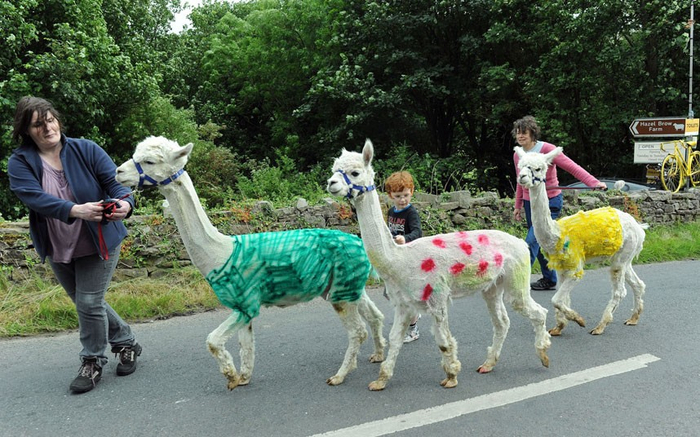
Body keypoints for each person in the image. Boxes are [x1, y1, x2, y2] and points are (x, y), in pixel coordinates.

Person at [8, 96, 141, 394]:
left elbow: (117, 184)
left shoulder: (86, 148)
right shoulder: (20, 162)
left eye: (50, 120)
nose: (47, 128)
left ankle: (92, 361)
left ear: (58, 120)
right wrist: (76, 210)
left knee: (89, 302)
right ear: (26, 131)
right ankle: (126, 342)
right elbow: (33, 197)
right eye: (37, 124)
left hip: (99, 239)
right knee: (87, 303)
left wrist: (124, 203)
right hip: (58, 244)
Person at [512, 115, 606, 291]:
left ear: (533, 133)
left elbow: (572, 167)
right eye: (518, 133)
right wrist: (517, 206)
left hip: (550, 201)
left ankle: (518, 282)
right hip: (530, 203)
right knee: (540, 239)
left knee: (530, 242)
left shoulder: (547, 149)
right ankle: (549, 279)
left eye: (524, 132)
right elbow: (520, 181)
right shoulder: (519, 155)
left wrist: (593, 183)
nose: (520, 136)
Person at [384, 171, 423, 343]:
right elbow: (388, 230)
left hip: (409, 256)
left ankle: (413, 329)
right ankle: (413, 314)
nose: (403, 200)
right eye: (398, 196)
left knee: (407, 296)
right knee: (389, 292)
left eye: (406, 195)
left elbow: (417, 232)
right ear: (390, 195)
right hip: (395, 257)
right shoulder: (391, 211)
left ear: (412, 191)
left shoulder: (411, 213)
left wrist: (404, 238)